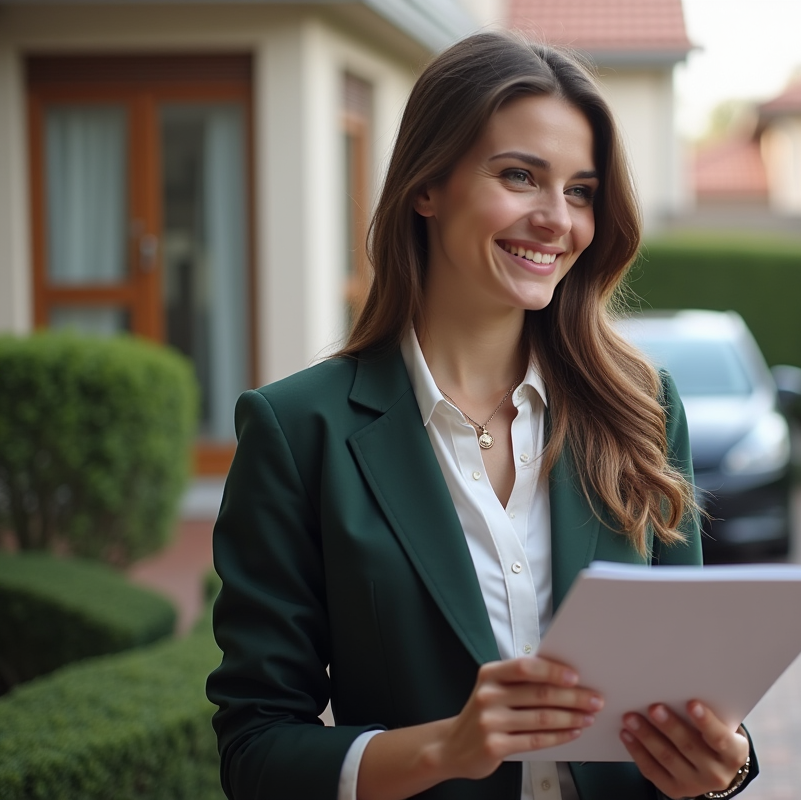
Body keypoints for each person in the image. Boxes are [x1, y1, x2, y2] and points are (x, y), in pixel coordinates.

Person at [206, 31, 758, 800]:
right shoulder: (298, 432)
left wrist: (725, 763)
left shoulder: (641, 408)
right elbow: (256, 749)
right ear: (426, 187)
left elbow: (686, 689)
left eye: (580, 191)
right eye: (520, 176)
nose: (557, 219)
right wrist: (444, 748)